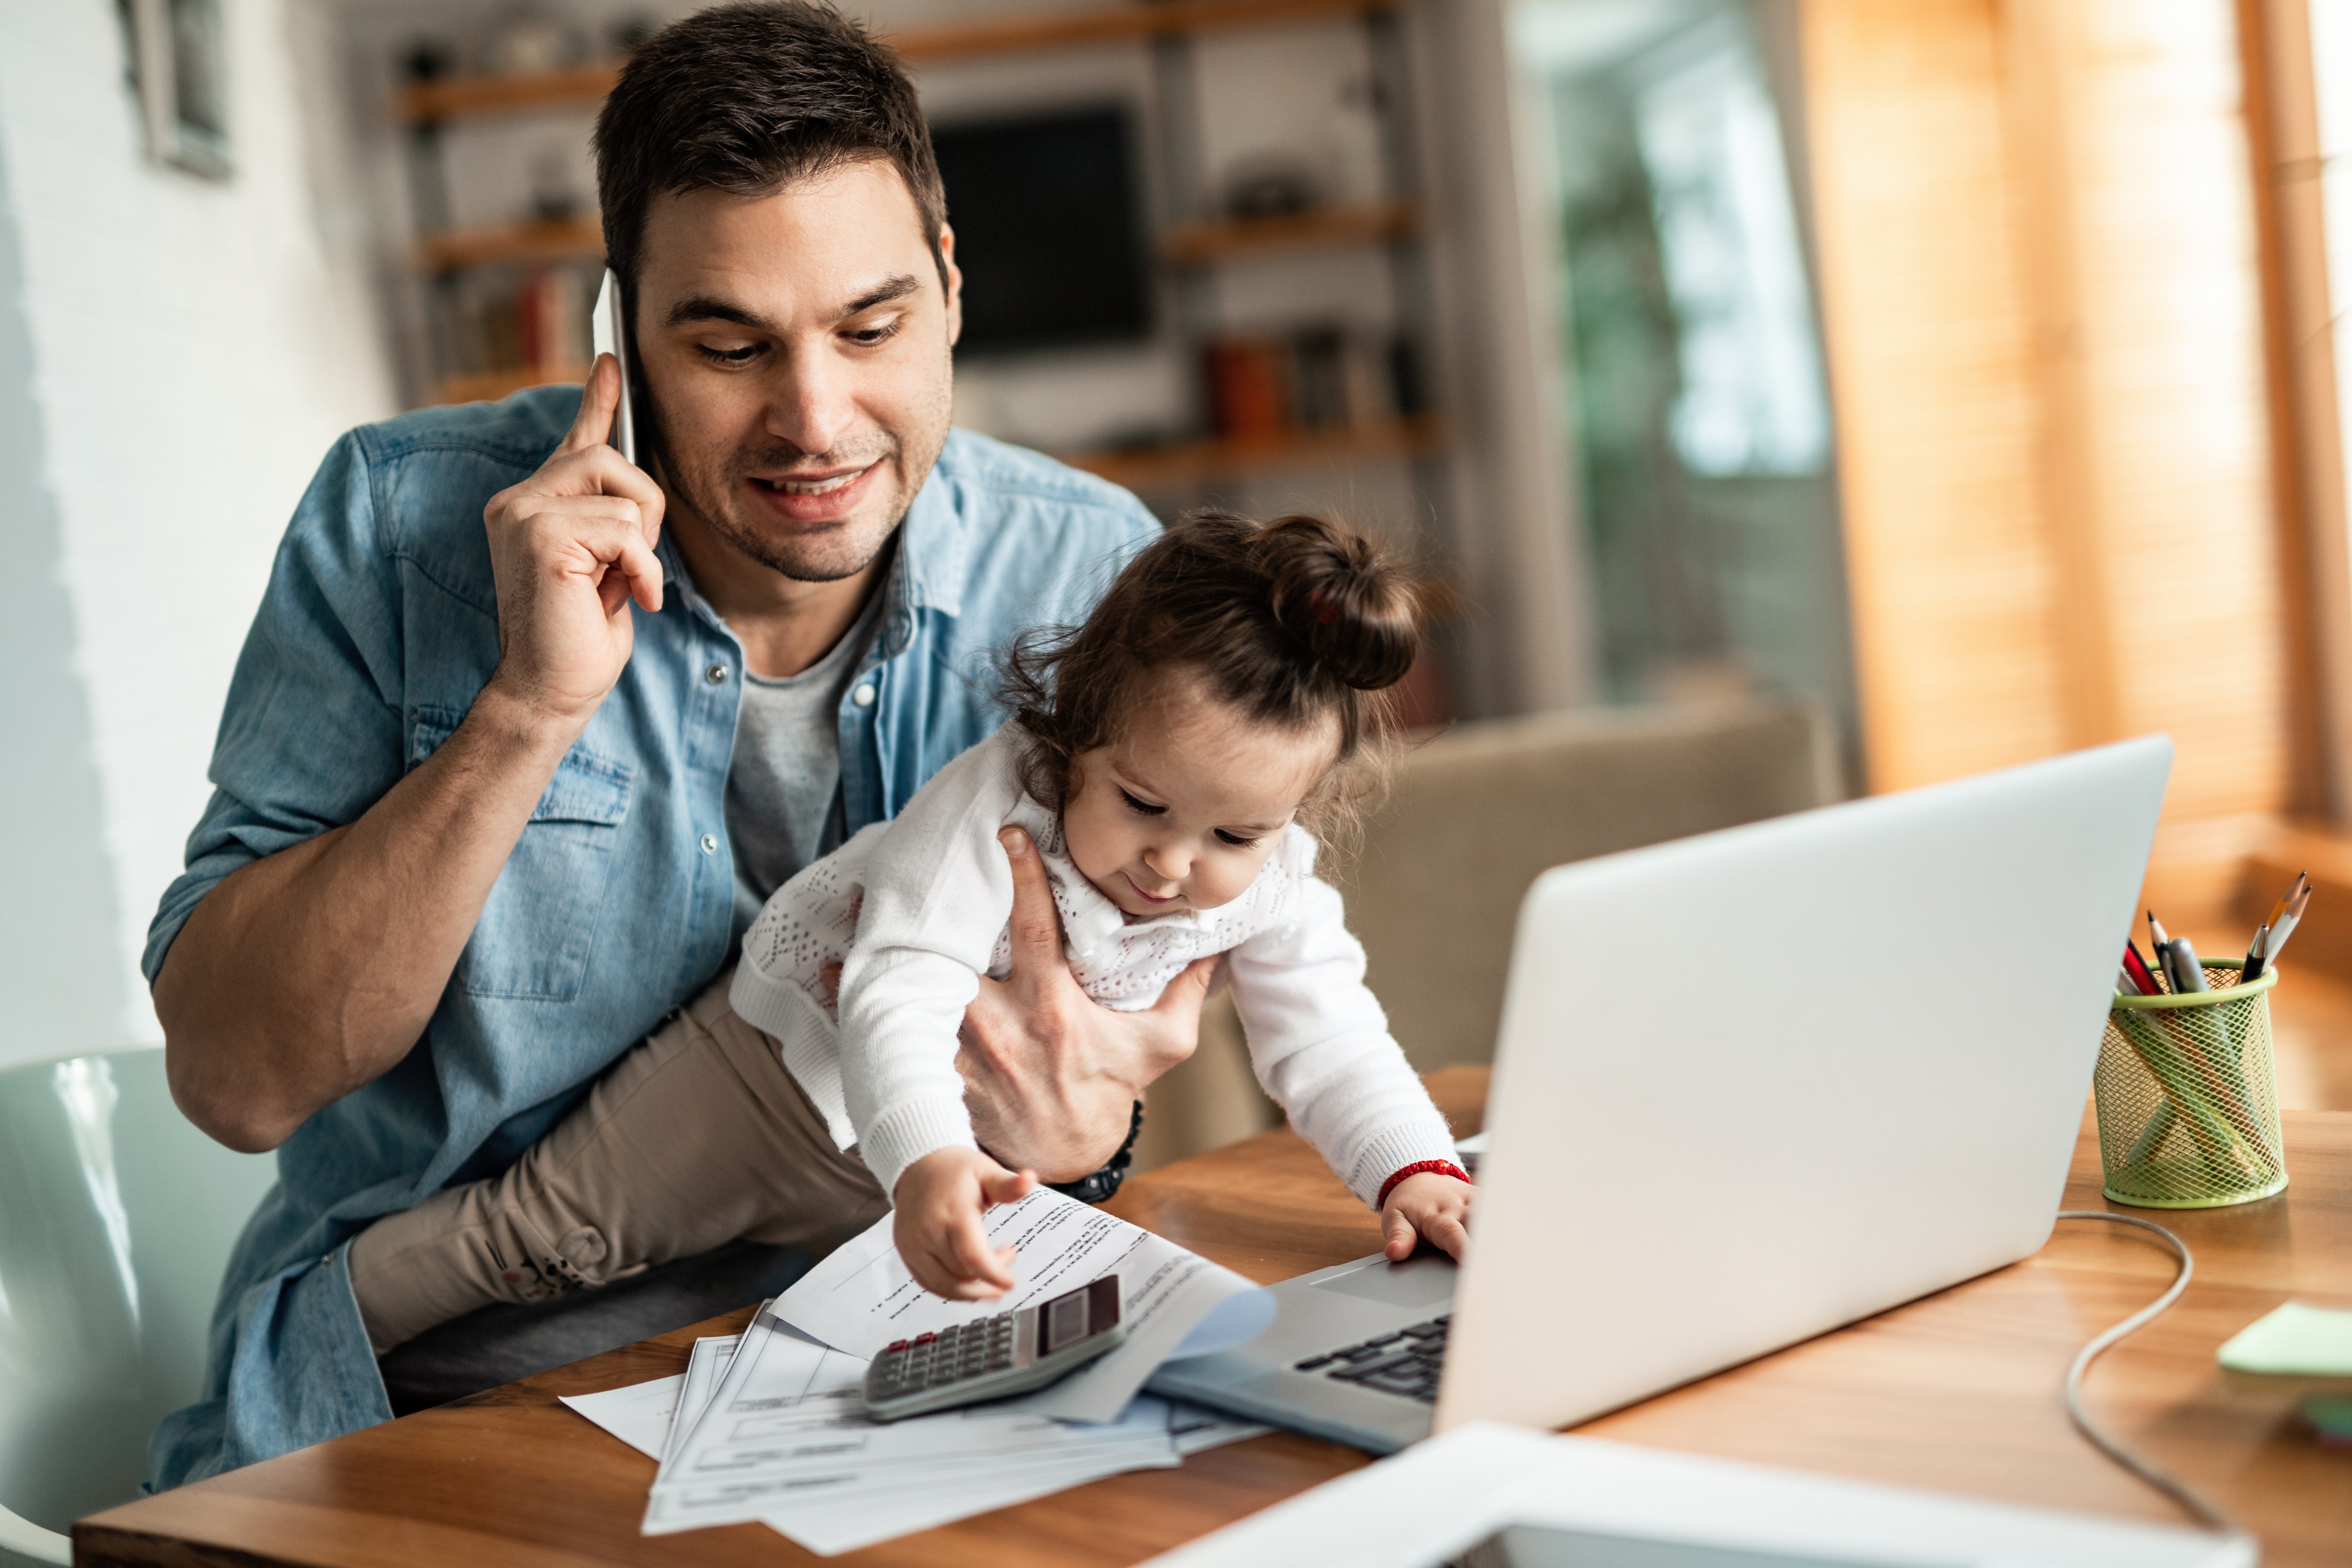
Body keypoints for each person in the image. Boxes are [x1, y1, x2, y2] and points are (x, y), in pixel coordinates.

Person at [141, 2, 1202, 1490]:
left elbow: (1123, 1042)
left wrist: (1095, 1122)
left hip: (914, 1358)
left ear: (952, 288)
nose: (815, 420)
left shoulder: (1094, 575)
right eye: (728, 345)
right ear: (619, 338)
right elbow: (236, 1082)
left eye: (871, 327)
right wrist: (526, 709)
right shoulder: (398, 532)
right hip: (460, 1394)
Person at [344, 510, 1474, 1348]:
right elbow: (898, 989)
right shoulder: (996, 806)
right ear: (1078, 729)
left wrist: (1412, 1175)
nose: (1175, 866)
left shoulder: (1272, 886)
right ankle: (329, 1323)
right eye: (1142, 806)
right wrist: (931, 1160)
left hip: (923, 1164)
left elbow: (1330, 1040)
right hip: (771, 1082)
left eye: (1237, 833)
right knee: (541, 1243)